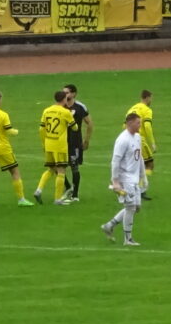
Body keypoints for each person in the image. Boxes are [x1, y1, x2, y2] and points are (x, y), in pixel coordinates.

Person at [101, 110, 148, 246]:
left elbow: (139, 158)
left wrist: (143, 176)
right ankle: (128, 239)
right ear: (129, 123)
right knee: (131, 207)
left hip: (134, 178)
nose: (140, 125)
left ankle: (109, 225)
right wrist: (115, 181)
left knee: (136, 207)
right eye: (138, 123)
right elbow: (115, 161)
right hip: (125, 177)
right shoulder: (122, 140)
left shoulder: (138, 137)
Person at [34, 91, 74, 205]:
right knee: (61, 171)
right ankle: (57, 199)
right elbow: (75, 127)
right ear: (64, 99)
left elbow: (41, 129)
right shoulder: (66, 112)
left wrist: (44, 143)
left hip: (48, 144)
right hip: (60, 145)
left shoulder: (46, 110)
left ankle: (39, 190)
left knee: (51, 169)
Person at [63, 83, 94, 201]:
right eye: (64, 93)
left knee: (74, 167)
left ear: (73, 94)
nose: (65, 95)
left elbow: (89, 123)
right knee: (57, 166)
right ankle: (67, 187)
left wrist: (86, 140)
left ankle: (75, 194)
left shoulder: (80, 107)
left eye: (67, 92)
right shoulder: (60, 107)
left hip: (75, 142)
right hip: (61, 142)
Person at [126, 90, 156, 196]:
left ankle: (135, 188)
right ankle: (141, 190)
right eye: (151, 98)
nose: (151, 100)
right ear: (147, 98)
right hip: (139, 140)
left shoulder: (131, 109)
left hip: (128, 139)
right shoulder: (147, 110)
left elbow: (124, 125)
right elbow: (147, 126)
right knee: (149, 164)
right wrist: (152, 142)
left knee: (136, 165)